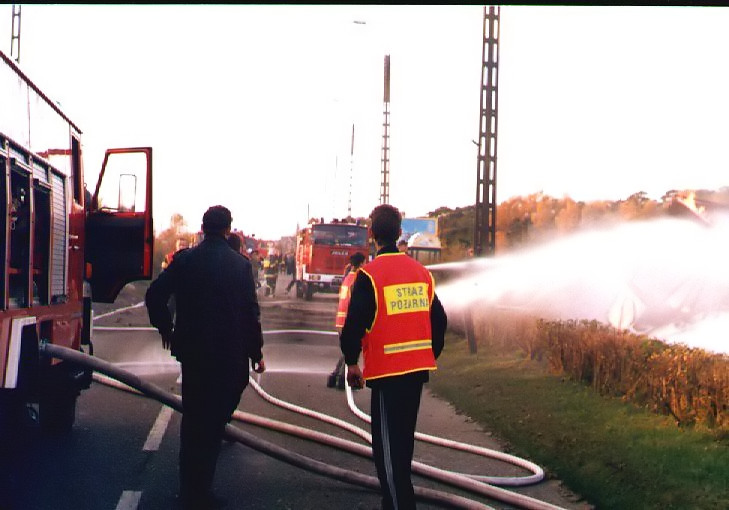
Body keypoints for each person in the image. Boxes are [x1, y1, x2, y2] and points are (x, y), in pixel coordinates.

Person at [145, 205, 265, 510]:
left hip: (193, 354)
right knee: (213, 422)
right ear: (228, 230)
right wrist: (256, 352)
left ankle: (189, 492)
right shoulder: (240, 266)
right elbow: (250, 312)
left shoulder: (185, 260)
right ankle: (202, 491)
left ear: (203, 228)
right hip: (229, 355)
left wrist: (166, 328)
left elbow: (154, 295)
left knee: (194, 419)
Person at [340, 204, 447, 510]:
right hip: (415, 374)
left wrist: (351, 362)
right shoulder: (421, 273)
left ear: (371, 234)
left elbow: (354, 324)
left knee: (388, 454)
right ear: (400, 233)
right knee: (403, 446)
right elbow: (439, 321)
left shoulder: (369, 276)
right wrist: (428, 353)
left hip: (387, 376)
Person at [327, 251, 366, 389]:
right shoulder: (357, 279)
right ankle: (342, 380)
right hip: (348, 321)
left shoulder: (348, 278)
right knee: (350, 352)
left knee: (345, 352)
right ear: (361, 264)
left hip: (340, 320)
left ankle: (334, 377)